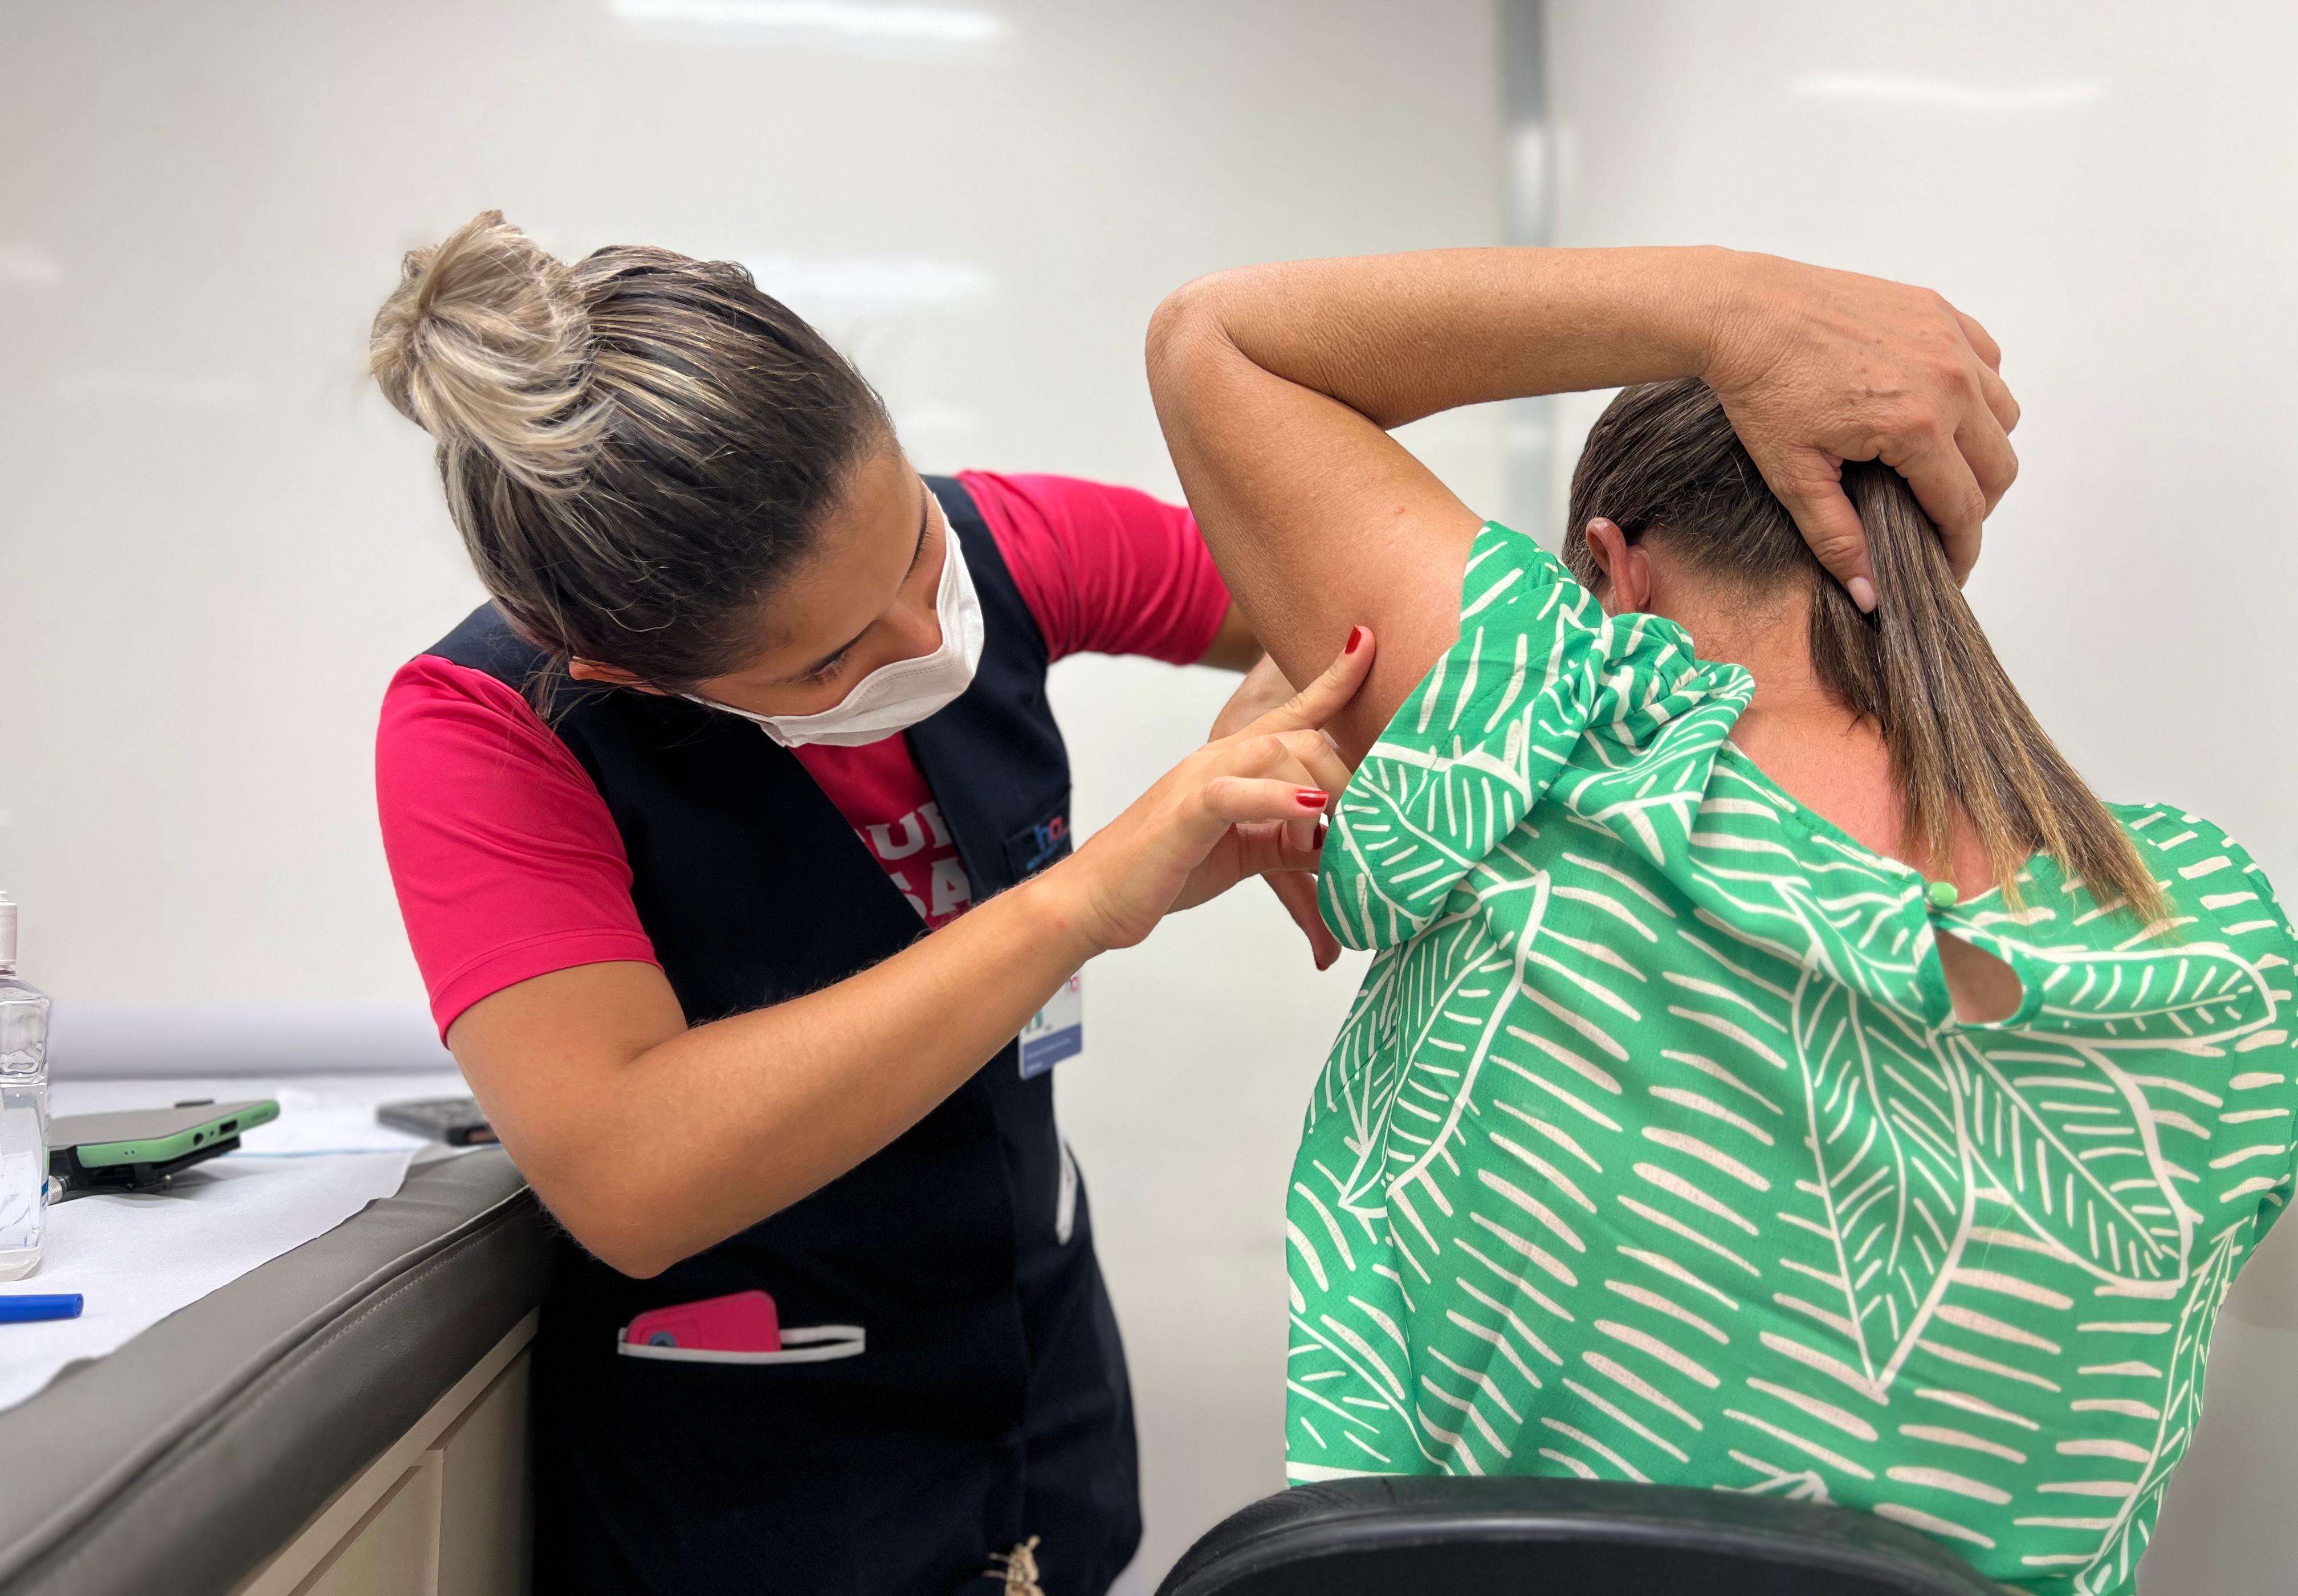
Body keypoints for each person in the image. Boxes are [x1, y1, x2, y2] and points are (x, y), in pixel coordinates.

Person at [368, 215, 2020, 1596]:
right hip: (757, 1466)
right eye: (826, 659)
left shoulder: (994, 546)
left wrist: (1309, 704)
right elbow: (634, 1172)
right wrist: (1090, 899)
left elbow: (1348, 595)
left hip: (1031, 1379)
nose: (918, 638)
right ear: (619, 669)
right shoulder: (487, 729)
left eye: (907, 557)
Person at [1148, 246, 2297, 1596]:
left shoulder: (1559, 754)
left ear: (1608, 570)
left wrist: (1730, 315)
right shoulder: (2218, 949)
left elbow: (1216, 338)